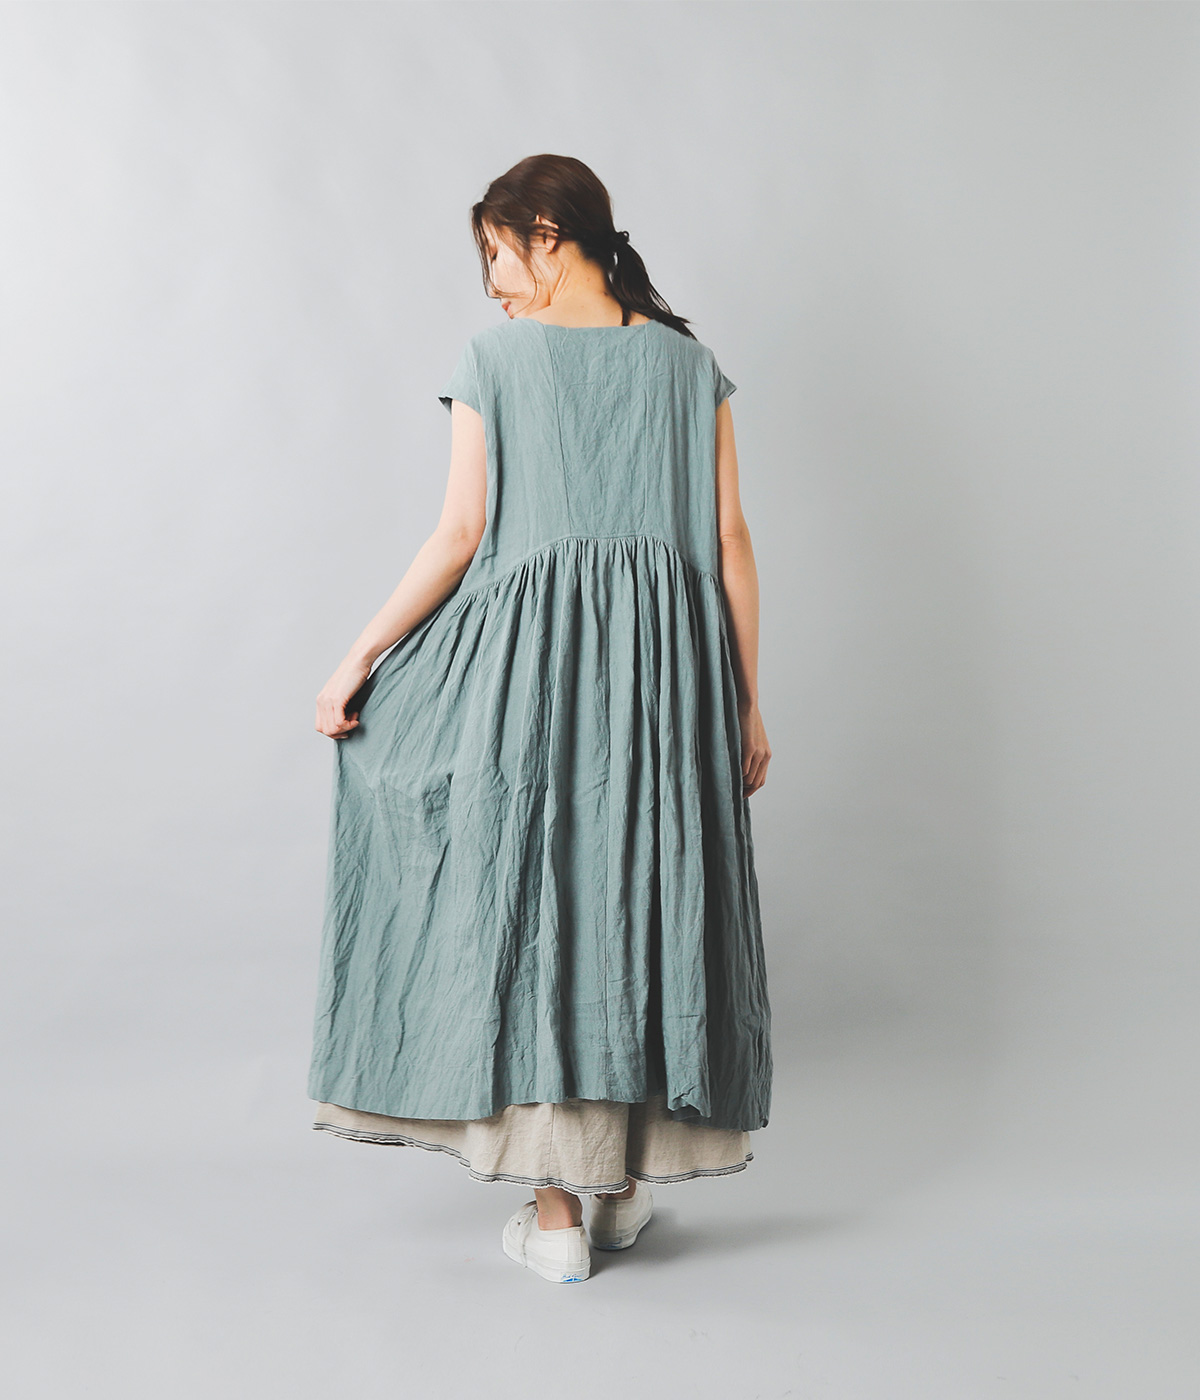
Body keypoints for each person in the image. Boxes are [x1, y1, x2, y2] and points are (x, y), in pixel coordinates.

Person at [307, 154, 773, 1285]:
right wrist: (748, 699)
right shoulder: (689, 366)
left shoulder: (495, 361)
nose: (495, 285)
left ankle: (559, 1213)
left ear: (547, 235)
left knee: (540, 895)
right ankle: (612, 1192)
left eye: (498, 256)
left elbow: (461, 533)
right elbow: (730, 543)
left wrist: (361, 655)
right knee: (642, 895)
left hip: (534, 672)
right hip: (668, 679)